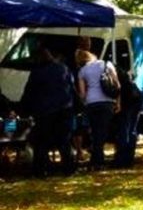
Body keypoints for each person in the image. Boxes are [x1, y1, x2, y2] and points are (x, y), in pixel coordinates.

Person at [20, 47, 76, 177]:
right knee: (64, 141)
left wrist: (23, 110)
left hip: (45, 112)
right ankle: (68, 169)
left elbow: (29, 93)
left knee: (41, 143)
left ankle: (40, 170)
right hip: (65, 109)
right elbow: (72, 88)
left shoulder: (37, 72)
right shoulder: (63, 68)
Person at [76, 48, 118, 170]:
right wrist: (117, 101)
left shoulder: (82, 71)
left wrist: (83, 103)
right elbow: (117, 84)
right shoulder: (106, 64)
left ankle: (96, 160)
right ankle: (98, 161)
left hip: (91, 103)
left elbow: (82, 94)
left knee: (95, 132)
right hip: (107, 102)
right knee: (102, 132)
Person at [112, 66, 143, 169]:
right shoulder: (126, 78)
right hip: (135, 99)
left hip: (128, 100)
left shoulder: (111, 73)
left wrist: (118, 104)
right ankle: (128, 158)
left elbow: (118, 89)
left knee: (123, 130)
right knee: (131, 130)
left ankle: (121, 159)